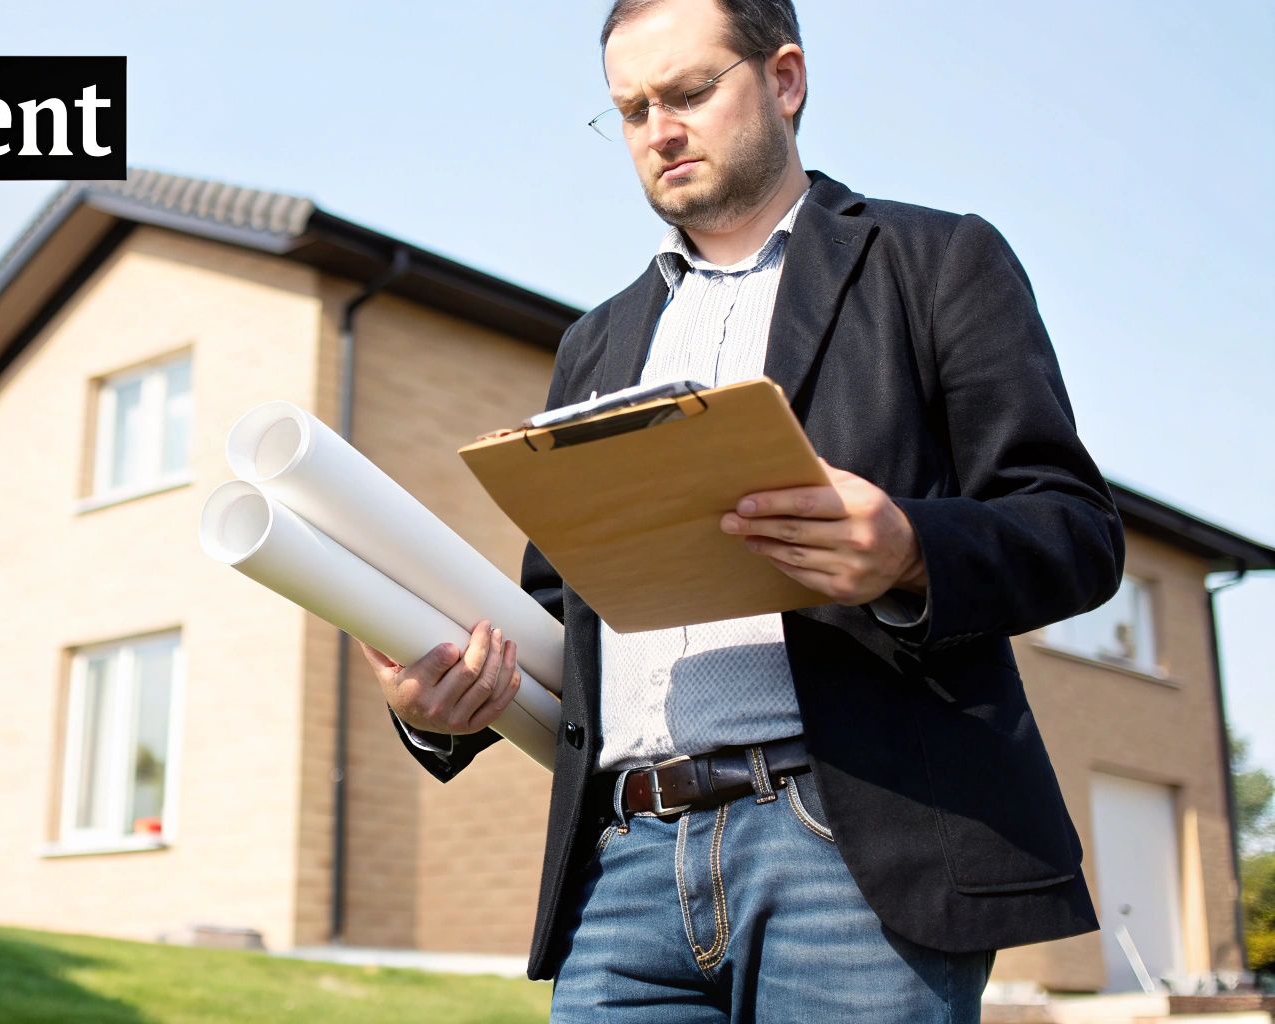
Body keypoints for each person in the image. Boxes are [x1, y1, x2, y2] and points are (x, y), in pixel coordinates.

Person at [356, 0, 1124, 1019]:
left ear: (783, 79)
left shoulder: (933, 262)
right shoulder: (594, 342)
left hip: (848, 851)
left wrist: (907, 551)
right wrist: (439, 711)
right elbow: (558, 618)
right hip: (619, 871)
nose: (656, 130)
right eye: (628, 110)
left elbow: (1070, 528)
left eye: (684, 93)